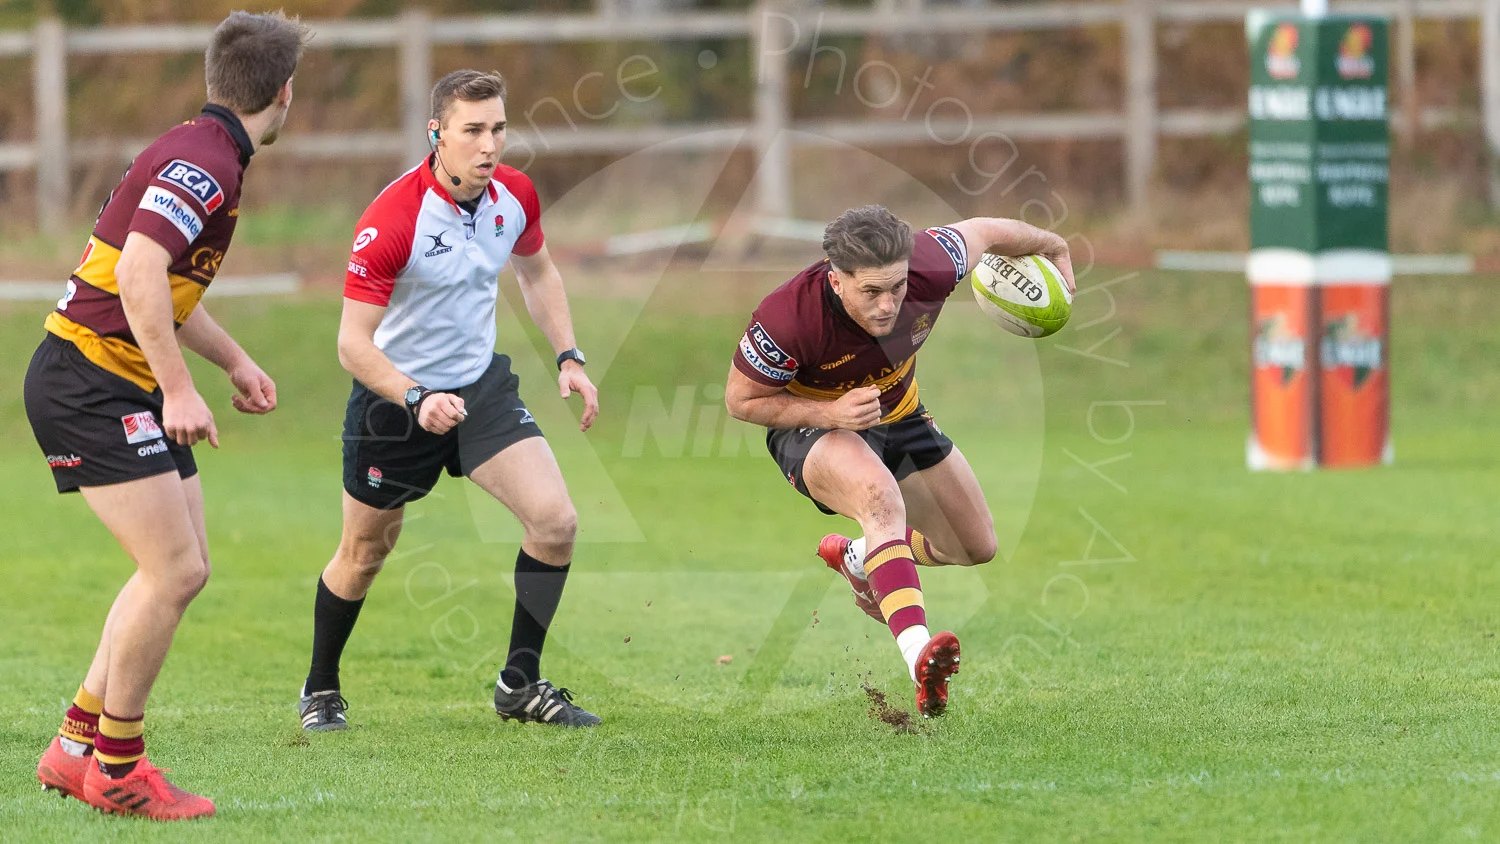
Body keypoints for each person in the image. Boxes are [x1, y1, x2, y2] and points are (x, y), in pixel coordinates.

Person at [26, 11, 305, 820]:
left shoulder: (201, 146)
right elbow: (140, 276)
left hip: (112, 377)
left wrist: (234, 361)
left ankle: (75, 745)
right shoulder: (205, 161)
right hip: (88, 381)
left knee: (180, 567)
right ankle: (117, 765)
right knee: (174, 570)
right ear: (284, 93)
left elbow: (166, 289)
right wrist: (180, 391)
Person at [298, 69, 603, 732]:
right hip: (393, 401)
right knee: (365, 552)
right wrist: (415, 395)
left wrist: (569, 355)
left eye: (497, 128)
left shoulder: (514, 194)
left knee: (555, 522)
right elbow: (352, 343)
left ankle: (519, 685)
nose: (489, 144)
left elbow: (537, 270)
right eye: (473, 130)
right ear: (436, 133)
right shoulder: (392, 219)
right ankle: (321, 688)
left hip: (480, 388)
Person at [724, 205, 1074, 717]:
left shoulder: (933, 262)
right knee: (880, 499)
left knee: (974, 546)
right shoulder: (789, 317)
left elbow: (988, 232)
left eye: (897, 287)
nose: (888, 305)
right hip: (812, 426)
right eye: (871, 292)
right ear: (836, 278)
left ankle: (862, 557)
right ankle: (918, 659)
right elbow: (741, 401)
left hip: (901, 414)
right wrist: (831, 410)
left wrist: (1054, 246)